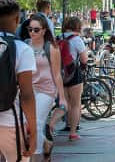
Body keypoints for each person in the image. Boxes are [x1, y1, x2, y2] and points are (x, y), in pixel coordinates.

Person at [25, 14, 68, 161]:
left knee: (36, 122)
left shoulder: (51, 47)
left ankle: (36, 156)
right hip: (29, 90)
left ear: (44, 31)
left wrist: (62, 97)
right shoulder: (25, 45)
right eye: (30, 29)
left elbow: (57, 74)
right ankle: (45, 143)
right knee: (26, 124)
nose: (32, 32)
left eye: (36, 30)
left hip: (47, 90)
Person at [0, 0, 37, 161]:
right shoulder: (22, 49)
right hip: (10, 121)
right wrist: (34, 131)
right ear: (18, 18)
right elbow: (27, 95)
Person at [60, 17, 88, 140]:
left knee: (65, 103)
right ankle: (73, 132)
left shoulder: (58, 37)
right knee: (76, 104)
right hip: (73, 73)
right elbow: (84, 59)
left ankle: (64, 124)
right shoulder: (77, 40)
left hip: (59, 73)